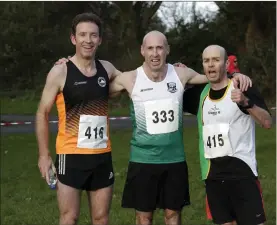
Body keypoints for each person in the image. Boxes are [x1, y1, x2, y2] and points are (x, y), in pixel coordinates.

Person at [109, 32, 252, 225]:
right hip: (143, 161)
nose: (155, 53)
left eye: (160, 48)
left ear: (167, 50)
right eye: (150, 48)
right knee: (144, 217)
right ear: (142, 50)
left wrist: (235, 75)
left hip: (174, 160)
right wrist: (74, 65)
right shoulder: (130, 78)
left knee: (172, 215)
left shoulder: (180, 74)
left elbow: (213, 77)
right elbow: (97, 84)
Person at [36, 13, 122, 225]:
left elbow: (135, 80)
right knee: (69, 217)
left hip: (102, 155)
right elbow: (42, 113)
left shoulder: (107, 69)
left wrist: (168, 70)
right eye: (82, 35)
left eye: (93, 35)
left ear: (100, 39)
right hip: (71, 156)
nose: (88, 40)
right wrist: (44, 155)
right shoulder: (60, 71)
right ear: (73, 39)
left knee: (101, 218)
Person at [182, 45, 272, 225]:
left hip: (243, 174)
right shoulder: (200, 94)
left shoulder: (242, 86)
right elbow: (171, 89)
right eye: (207, 61)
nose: (211, 65)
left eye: (216, 60)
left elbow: (267, 122)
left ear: (226, 63)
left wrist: (247, 103)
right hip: (213, 176)